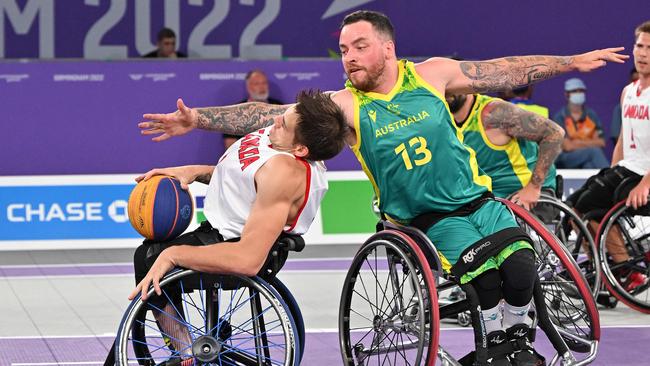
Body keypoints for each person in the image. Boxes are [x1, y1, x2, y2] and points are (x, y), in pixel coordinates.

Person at [138, 11, 626, 365]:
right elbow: (267, 116)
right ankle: (497, 349)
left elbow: (504, 68)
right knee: (488, 280)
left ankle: (513, 341)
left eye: (359, 46)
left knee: (522, 267)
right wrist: (197, 119)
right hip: (422, 220)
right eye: (344, 49)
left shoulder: (432, 75)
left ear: (387, 47)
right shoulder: (345, 106)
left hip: (478, 198)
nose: (349, 57)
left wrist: (572, 60)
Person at [130, 90, 346, 355]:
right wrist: (194, 171)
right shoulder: (284, 140)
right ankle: (184, 346)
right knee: (156, 254)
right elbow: (247, 179)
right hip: (220, 232)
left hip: (237, 247)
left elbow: (249, 259)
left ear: (300, 149)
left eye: (284, 124)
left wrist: (174, 255)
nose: (276, 120)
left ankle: (184, 351)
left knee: (149, 257)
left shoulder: (285, 174)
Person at [568, 20, 650, 293]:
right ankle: (606, 272)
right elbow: (624, 141)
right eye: (640, 46)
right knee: (574, 209)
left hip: (644, 175)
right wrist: (611, 173)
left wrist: (646, 183)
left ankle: (625, 270)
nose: (643, 53)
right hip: (628, 168)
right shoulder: (628, 92)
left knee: (584, 208)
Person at [446, 92, 564, 210]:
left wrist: (533, 188)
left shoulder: (495, 113)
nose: (447, 90)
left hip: (526, 196)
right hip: (487, 200)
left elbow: (554, 133)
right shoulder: (440, 118)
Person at [552, 78, 609, 168]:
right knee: (594, 151)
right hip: (566, 159)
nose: (578, 93)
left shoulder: (591, 115)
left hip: (585, 157)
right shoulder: (560, 117)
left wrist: (577, 142)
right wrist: (590, 142)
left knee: (588, 166)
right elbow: (567, 146)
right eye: (574, 91)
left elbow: (601, 142)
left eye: (581, 91)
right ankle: (611, 178)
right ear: (566, 94)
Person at [223, 69, 283, 149]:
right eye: (257, 84)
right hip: (246, 154)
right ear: (248, 87)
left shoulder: (279, 106)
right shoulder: (236, 110)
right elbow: (230, 143)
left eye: (264, 83)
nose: (261, 87)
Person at [610, 68, 640, 145]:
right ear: (629, 82)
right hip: (630, 152)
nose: (638, 83)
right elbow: (618, 140)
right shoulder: (620, 108)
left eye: (641, 80)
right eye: (634, 80)